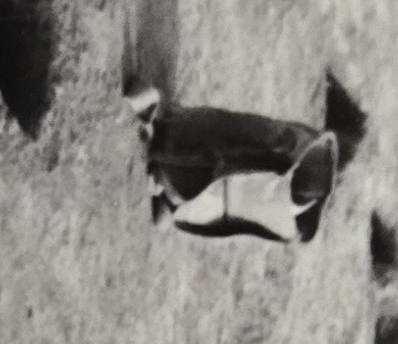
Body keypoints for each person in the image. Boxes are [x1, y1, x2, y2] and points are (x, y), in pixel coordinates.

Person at [131, 91, 338, 244]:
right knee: (261, 141)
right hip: (201, 144)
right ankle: (168, 136)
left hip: (207, 183)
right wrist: (164, 135)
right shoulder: (288, 144)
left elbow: (233, 219)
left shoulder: (288, 219)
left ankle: (173, 185)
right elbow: (230, 132)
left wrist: (183, 208)